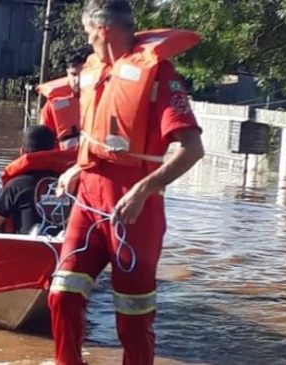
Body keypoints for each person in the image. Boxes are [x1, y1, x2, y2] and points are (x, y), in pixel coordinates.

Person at [48, 1, 205, 365]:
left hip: (133, 210)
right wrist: (77, 168)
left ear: (101, 31)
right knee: (62, 294)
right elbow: (98, 136)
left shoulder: (159, 75)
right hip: (88, 200)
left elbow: (193, 149)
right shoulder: (96, 72)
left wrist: (143, 190)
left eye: (88, 35)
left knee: (133, 318)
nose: (87, 43)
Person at [0, 125, 77, 234]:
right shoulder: (69, 184)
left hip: (24, 248)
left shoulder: (16, 186)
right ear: (54, 150)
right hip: (62, 247)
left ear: (22, 152)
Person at [38, 48, 90, 150]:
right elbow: (42, 143)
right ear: (67, 73)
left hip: (96, 162)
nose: (78, 80)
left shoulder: (105, 99)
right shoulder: (52, 105)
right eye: (73, 74)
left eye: (83, 74)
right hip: (64, 163)